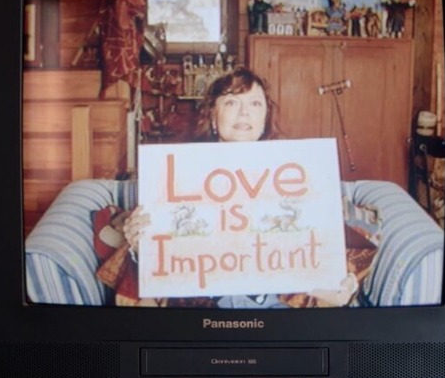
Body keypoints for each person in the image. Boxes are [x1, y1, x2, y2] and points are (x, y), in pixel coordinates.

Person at [113, 67, 366, 309]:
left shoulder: (294, 175)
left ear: (265, 117)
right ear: (213, 115)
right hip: (204, 312)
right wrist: (140, 247)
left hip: (280, 311)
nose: (244, 112)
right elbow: (158, 264)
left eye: (255, 104)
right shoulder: (180, 175)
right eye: (232, 102)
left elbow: (333, 244)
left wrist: (345, 279)